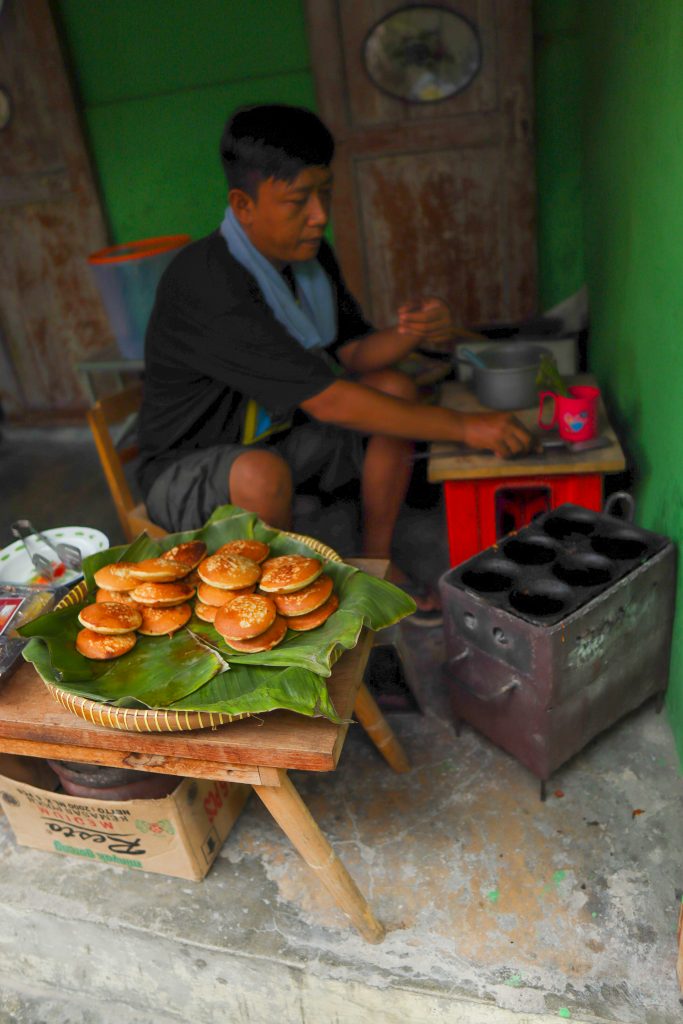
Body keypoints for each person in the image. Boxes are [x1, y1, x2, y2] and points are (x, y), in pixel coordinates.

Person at [137, 104, 533, 623]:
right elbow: (330, 397)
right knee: (261, 474)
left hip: (282, 436)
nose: (320, 215)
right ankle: (281, 616)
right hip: (189, 467)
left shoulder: (309, 260)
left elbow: (353, 352)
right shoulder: (207, 282)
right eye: (299, 200)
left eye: (324, 192)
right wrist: (465, 426)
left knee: (393, 386)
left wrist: (409, 333)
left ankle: (373, 560)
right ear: (243, 204)